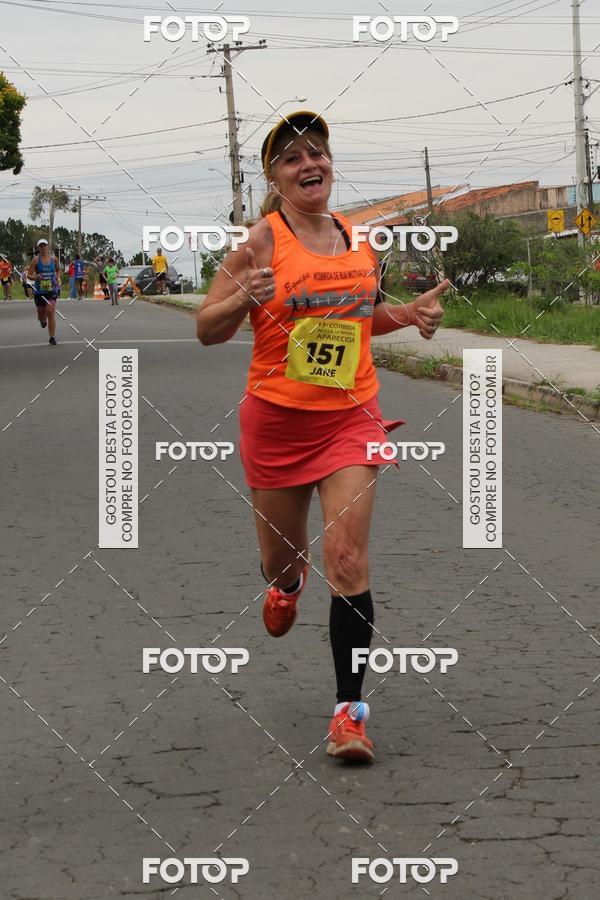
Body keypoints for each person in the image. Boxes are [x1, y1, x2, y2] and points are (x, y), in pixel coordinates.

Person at [196, 111, 448, 763]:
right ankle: (284, 585)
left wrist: (408, 314)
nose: (309, 164)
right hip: (278, 425)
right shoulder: (259, 242)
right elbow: (207, 328)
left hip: (349, 418)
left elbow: (364, 322)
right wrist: (237, 298)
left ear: (330, 163)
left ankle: (348, 715)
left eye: (317, 152)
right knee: (287, 563)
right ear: (275, 178)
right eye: (292, 158)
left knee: (348, 560)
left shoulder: (358, 242)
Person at [27, 238, 61, 345]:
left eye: (44, 245)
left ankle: (52, 337)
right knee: (41, 315)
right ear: (38, 248)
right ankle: (42, 321)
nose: (43, 247)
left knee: (51, 312)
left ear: (48, 246)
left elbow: (58, 270)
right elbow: (28, 275)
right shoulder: (35, 260)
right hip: (39, 291)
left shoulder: (54, 259)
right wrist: (35, 277)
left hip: (51, 289)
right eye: (41, 246)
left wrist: (58, 278)